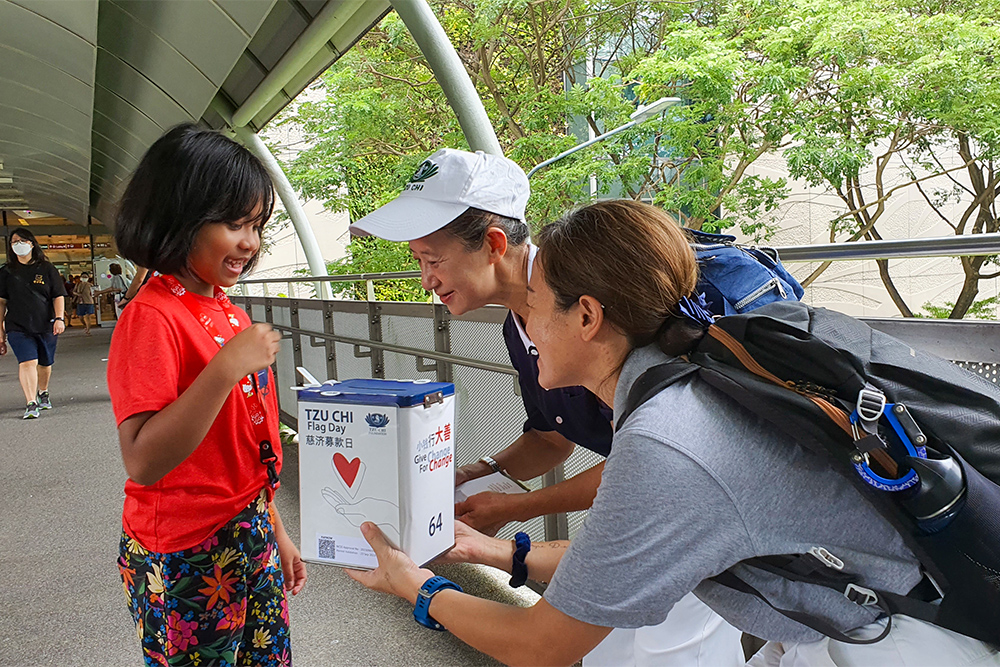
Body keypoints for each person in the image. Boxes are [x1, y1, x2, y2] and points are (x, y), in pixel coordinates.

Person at [347, 199, 1000, 666]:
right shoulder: (686, 379)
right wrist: (492, 553)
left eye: (538, 301)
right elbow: (623, 557)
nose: (528, 321)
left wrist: (413, 583)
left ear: (588, 316)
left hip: (902, 637)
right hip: (847, 617)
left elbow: (541, 645)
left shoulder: (670, 438)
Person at [349, 148, 743, 666]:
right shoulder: (524, 319)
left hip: (707, 532)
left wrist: (508, 515)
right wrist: (481, 471)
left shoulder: (591, 301)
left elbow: (656, 461)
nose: (425, 279)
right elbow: (551, 435)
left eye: (433, 259)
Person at [107, 123, 306, 665]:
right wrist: (222, 371)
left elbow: (247, 451)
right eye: (232, 222)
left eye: (257, 224)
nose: (250, 241)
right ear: (178, 217)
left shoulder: (227, 310)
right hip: (185, 551)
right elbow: (143, 459)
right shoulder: (151, 317)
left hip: (249, 530)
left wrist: (276, 531)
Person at [0, 228, 67, 419]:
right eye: (14, 241)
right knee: (27, 362)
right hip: (17, 326)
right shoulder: (6, 272)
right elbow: (1, 303)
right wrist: (1, 332)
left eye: (22, 240)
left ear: (31, 243)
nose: (18, 244)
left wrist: (59, 318)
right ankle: (31, 402)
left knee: (45, 363)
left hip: (45, 324)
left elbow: (58, 295)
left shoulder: (47, 269)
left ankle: (43, 391)